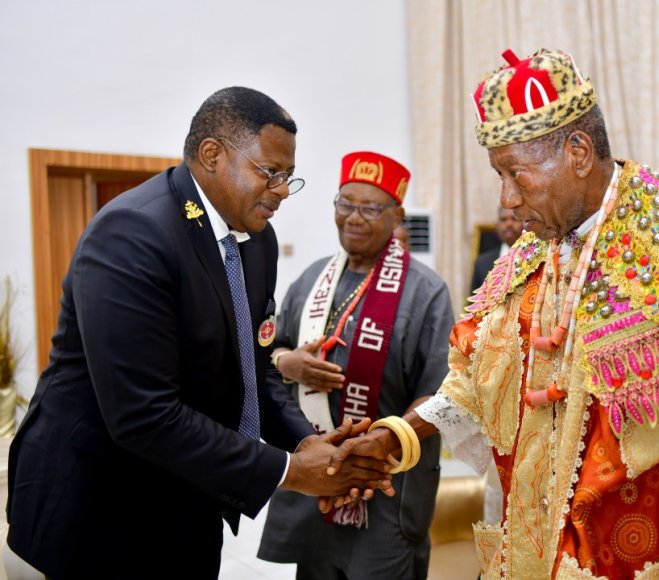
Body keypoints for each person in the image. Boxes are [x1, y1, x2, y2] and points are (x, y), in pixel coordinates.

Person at [328, 49, 659, 579]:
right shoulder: (532, 251)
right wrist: (393, 437)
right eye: (500, 175)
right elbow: (471, 384)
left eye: (516, 174)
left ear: (578, 151)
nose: (507, 199)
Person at [5, 87, 392, 578]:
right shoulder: (133, 233)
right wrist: (289, 473)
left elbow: (254, 373)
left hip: (189, 491)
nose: (279, 190)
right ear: (212, 154)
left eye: (288, 178)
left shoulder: (257, 242)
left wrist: (304, 444)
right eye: (269, 173)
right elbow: (143, 415)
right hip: (99, 503)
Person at [257, 151, 455, 579]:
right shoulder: (311, 280)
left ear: (396, 215)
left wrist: (384, 441)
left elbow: (443, 394)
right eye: (345, 204)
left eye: (369, 208)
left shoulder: (427, 292)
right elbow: (269, 355)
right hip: (319, 475)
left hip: (386, 483)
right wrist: (288, 362)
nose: (354, 218)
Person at [470, 205, 523, 293]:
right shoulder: (482, 263)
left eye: (514, 219)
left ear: (524, 223)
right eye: (503, 219)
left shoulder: (535, 256)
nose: (508, 224)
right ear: (497, 225)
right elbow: (474, 302)